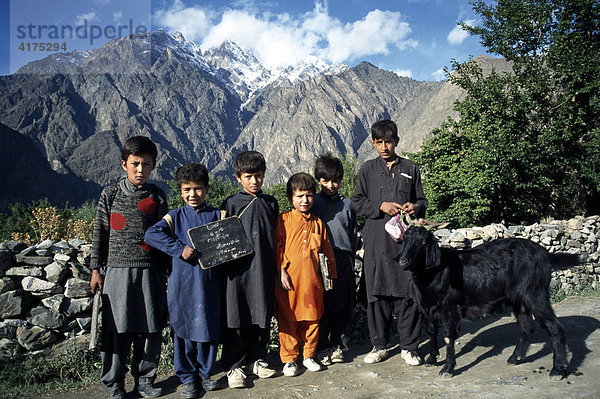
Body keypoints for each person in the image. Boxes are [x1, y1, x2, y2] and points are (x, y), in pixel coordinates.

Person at [89, 136, 168, 399]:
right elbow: (100, 233)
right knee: (115, 328)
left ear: (153, 166)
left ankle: (145, 380)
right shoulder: (110, 195)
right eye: (135, 163)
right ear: (124, 164)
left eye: (146, 164)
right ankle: (114, 384)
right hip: (116, 272)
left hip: (149, 271)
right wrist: (95, 269)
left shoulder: (157, 196)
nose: (140, 170)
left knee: (149, 327)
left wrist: (165, 271)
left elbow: (164, 236)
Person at [352, 119, 428, 366]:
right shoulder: (367, 169)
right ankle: (379, 345)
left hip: (405, 243)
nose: (384, 147)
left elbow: (422, 201)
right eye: (379, 142)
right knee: (377, 294)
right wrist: (380, 206)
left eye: (388, 141)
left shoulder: (410, 168)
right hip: (376, 242)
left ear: (396, 141)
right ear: (373, 143)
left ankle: (409, 347)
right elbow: (357, 202)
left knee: (408, 293)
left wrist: (415, 206)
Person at [143, 163, 222, 399]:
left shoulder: (218, 215)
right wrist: (179, 249)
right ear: (180, 191)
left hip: (209, 285)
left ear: (207, 189)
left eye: (198, 189)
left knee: (208, 329)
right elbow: (151, 234)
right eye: (187, 189)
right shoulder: (174, 217)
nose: (193, 194)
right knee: (183, 330)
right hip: (182, 286)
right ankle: (187, 378)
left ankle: (206, 374)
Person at [219, 151, 279, 389]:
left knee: (261, 313)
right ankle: (235, 365)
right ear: (238, 178)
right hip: (237, 272)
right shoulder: (231, 203)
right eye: (248, 176)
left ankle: (258, 359)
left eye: (259, 176)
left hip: (263, 268)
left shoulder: (270, 203)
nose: (254, 181)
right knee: (236, 315)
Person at [274, 172, 337, 377]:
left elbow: (327, 253)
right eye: (299, 196)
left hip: (312, 283)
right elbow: (277, 248)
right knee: (288, 320)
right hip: (289, 282)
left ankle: (308, 356)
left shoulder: (319, 224)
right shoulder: (283, 220)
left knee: (312, 320)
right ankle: (290, 360)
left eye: (309, 196)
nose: (304, 200)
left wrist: (331, 278)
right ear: (291, 198)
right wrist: (281, 270)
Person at [311, 154, 358, 365]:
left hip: (343, 257)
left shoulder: (347, 204)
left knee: (343, 305)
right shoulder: (313, 203)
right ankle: (321, 347)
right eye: (325, 180)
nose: (331, 185)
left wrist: (350, 256)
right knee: (323, 305)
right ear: (318, 180)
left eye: (335, 180)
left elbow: (353, 233)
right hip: (320, 260)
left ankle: (340, 346)